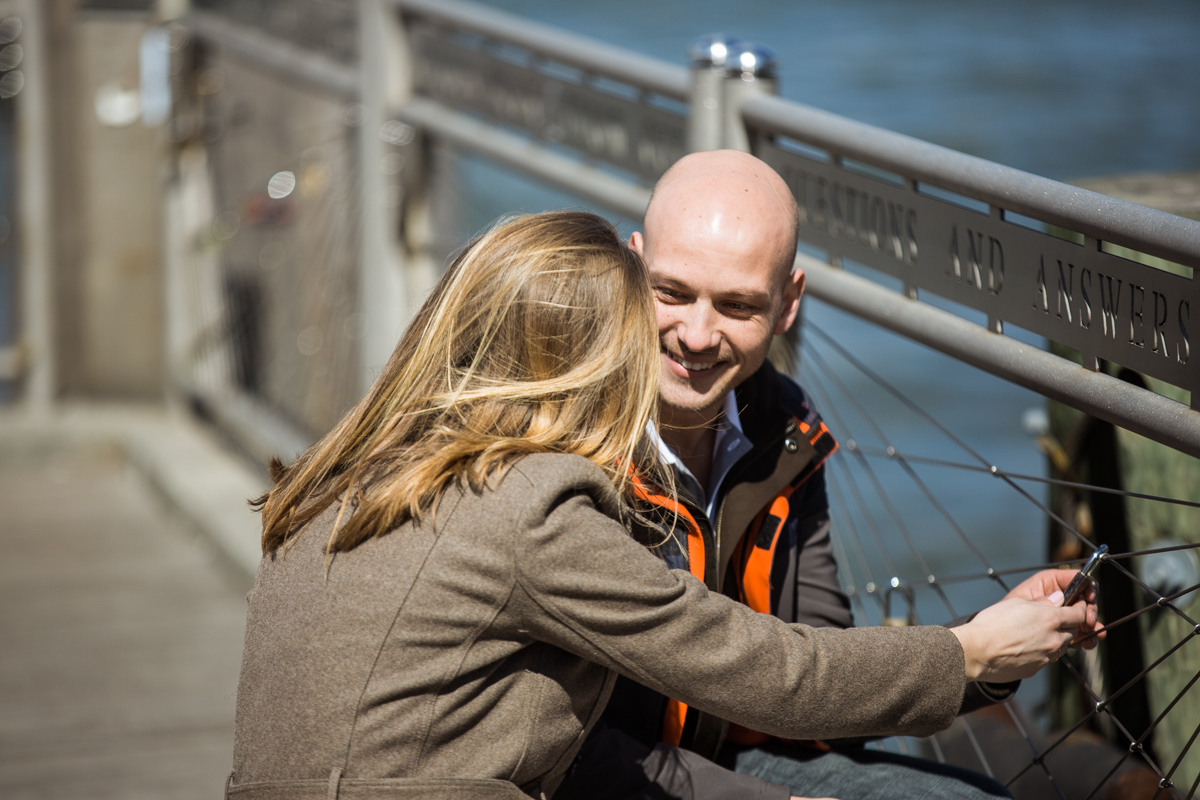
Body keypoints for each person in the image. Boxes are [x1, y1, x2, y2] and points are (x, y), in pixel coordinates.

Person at [227, 211, 1096, 800]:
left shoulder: (345, 471)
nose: (671, 349)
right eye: (642, 329)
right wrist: (974, 650)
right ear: (579, 360)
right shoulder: (531, 504)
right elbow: (770, 671)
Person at [554, 152, 1102, 800]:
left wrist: (987, 647)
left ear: (789, 303)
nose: (696, 336)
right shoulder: (563, 433)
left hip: (725, 751)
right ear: (631, 265)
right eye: (671, 292)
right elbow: (559, 742)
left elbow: (821, 699)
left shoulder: (782, 431)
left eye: (737, 305)